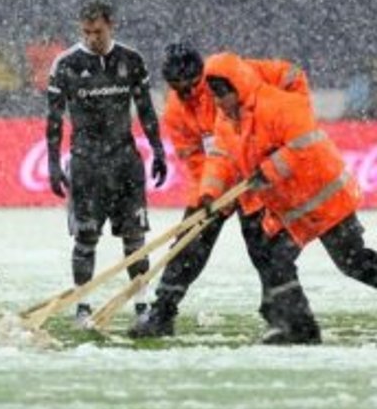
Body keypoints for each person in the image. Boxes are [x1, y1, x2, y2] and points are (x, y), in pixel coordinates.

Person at [130, 43, 316, 342]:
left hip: (256, 183)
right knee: (186, 249)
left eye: (193, 86)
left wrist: (297, 111)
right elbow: (195, 161)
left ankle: (278, 314)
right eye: (180, 89)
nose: (189, 94)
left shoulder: (233, 77)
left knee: (264, 253)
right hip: (215, 186)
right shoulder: (176, 112)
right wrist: (210, 193)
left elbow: (292, 76)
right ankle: (162, 313)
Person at [199, 51, 377, 343]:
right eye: (215, 95)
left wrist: (268, 170)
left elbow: (302, 146)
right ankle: (300, 327)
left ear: (238, 87)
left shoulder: (279, 105)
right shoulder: (226, 122)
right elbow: (220, 157)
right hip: (292, 210)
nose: (219, 102)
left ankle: (298, 327)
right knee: (275, 260)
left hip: (326, 200)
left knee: (353, 264)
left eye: (223, 94)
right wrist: (210, 193)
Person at [46, 0, 167, 326]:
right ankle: (83, 307)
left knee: (134, 238)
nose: (91, 39)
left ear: (111, 25)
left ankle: (141, 305)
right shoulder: (66, 64)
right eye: (86, 33)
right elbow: (54, 119)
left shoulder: (132, 60)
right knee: (85, 238)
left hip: (125, 160)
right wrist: (54, 164)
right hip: (86, 164)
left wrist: (157, 149)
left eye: (97, 32)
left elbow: (145, 109)